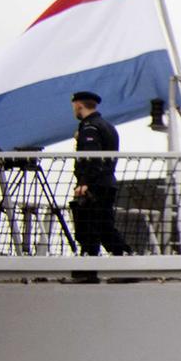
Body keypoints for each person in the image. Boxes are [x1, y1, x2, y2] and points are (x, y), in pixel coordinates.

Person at [69, 91, 130, 257]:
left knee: (88, 229)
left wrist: (84, 182)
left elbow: (91, 158)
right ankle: (124, 257)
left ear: (78, 105)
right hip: (107, 182)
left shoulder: (90, 127)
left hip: (94, 185)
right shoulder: (108, 127)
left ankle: (89, 265)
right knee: (104, 226)